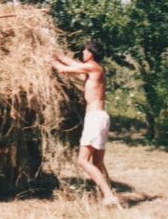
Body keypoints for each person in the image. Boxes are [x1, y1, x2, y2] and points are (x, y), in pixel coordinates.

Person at [51, 40, 121, 207]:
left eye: (85, 50)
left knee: (83, 161)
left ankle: (109, 195)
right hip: (101, 117)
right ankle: (109, 193)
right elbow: (72, 64)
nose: (83, 52)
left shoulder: (93, 67)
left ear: (91, 53)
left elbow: (63, 69)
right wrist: (58, 56)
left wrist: (49, 60)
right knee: (97, 162)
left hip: (95, 118)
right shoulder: (94, 70)